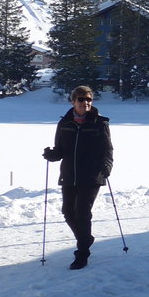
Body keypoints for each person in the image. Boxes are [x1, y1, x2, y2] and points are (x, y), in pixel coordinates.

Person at [42, 86, 113, 270]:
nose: (86, 103)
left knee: (82, 212)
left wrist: (106, 167)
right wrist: (51, 154)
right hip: (69, 174)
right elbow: (60, 151)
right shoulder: (65, 123)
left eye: (89, 99)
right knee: (68, 212)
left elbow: (107, 150)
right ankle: (86, 239)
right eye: (81, 99)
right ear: (73, 101)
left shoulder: (99, 123)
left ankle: (82, 254)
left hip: (91, 174)